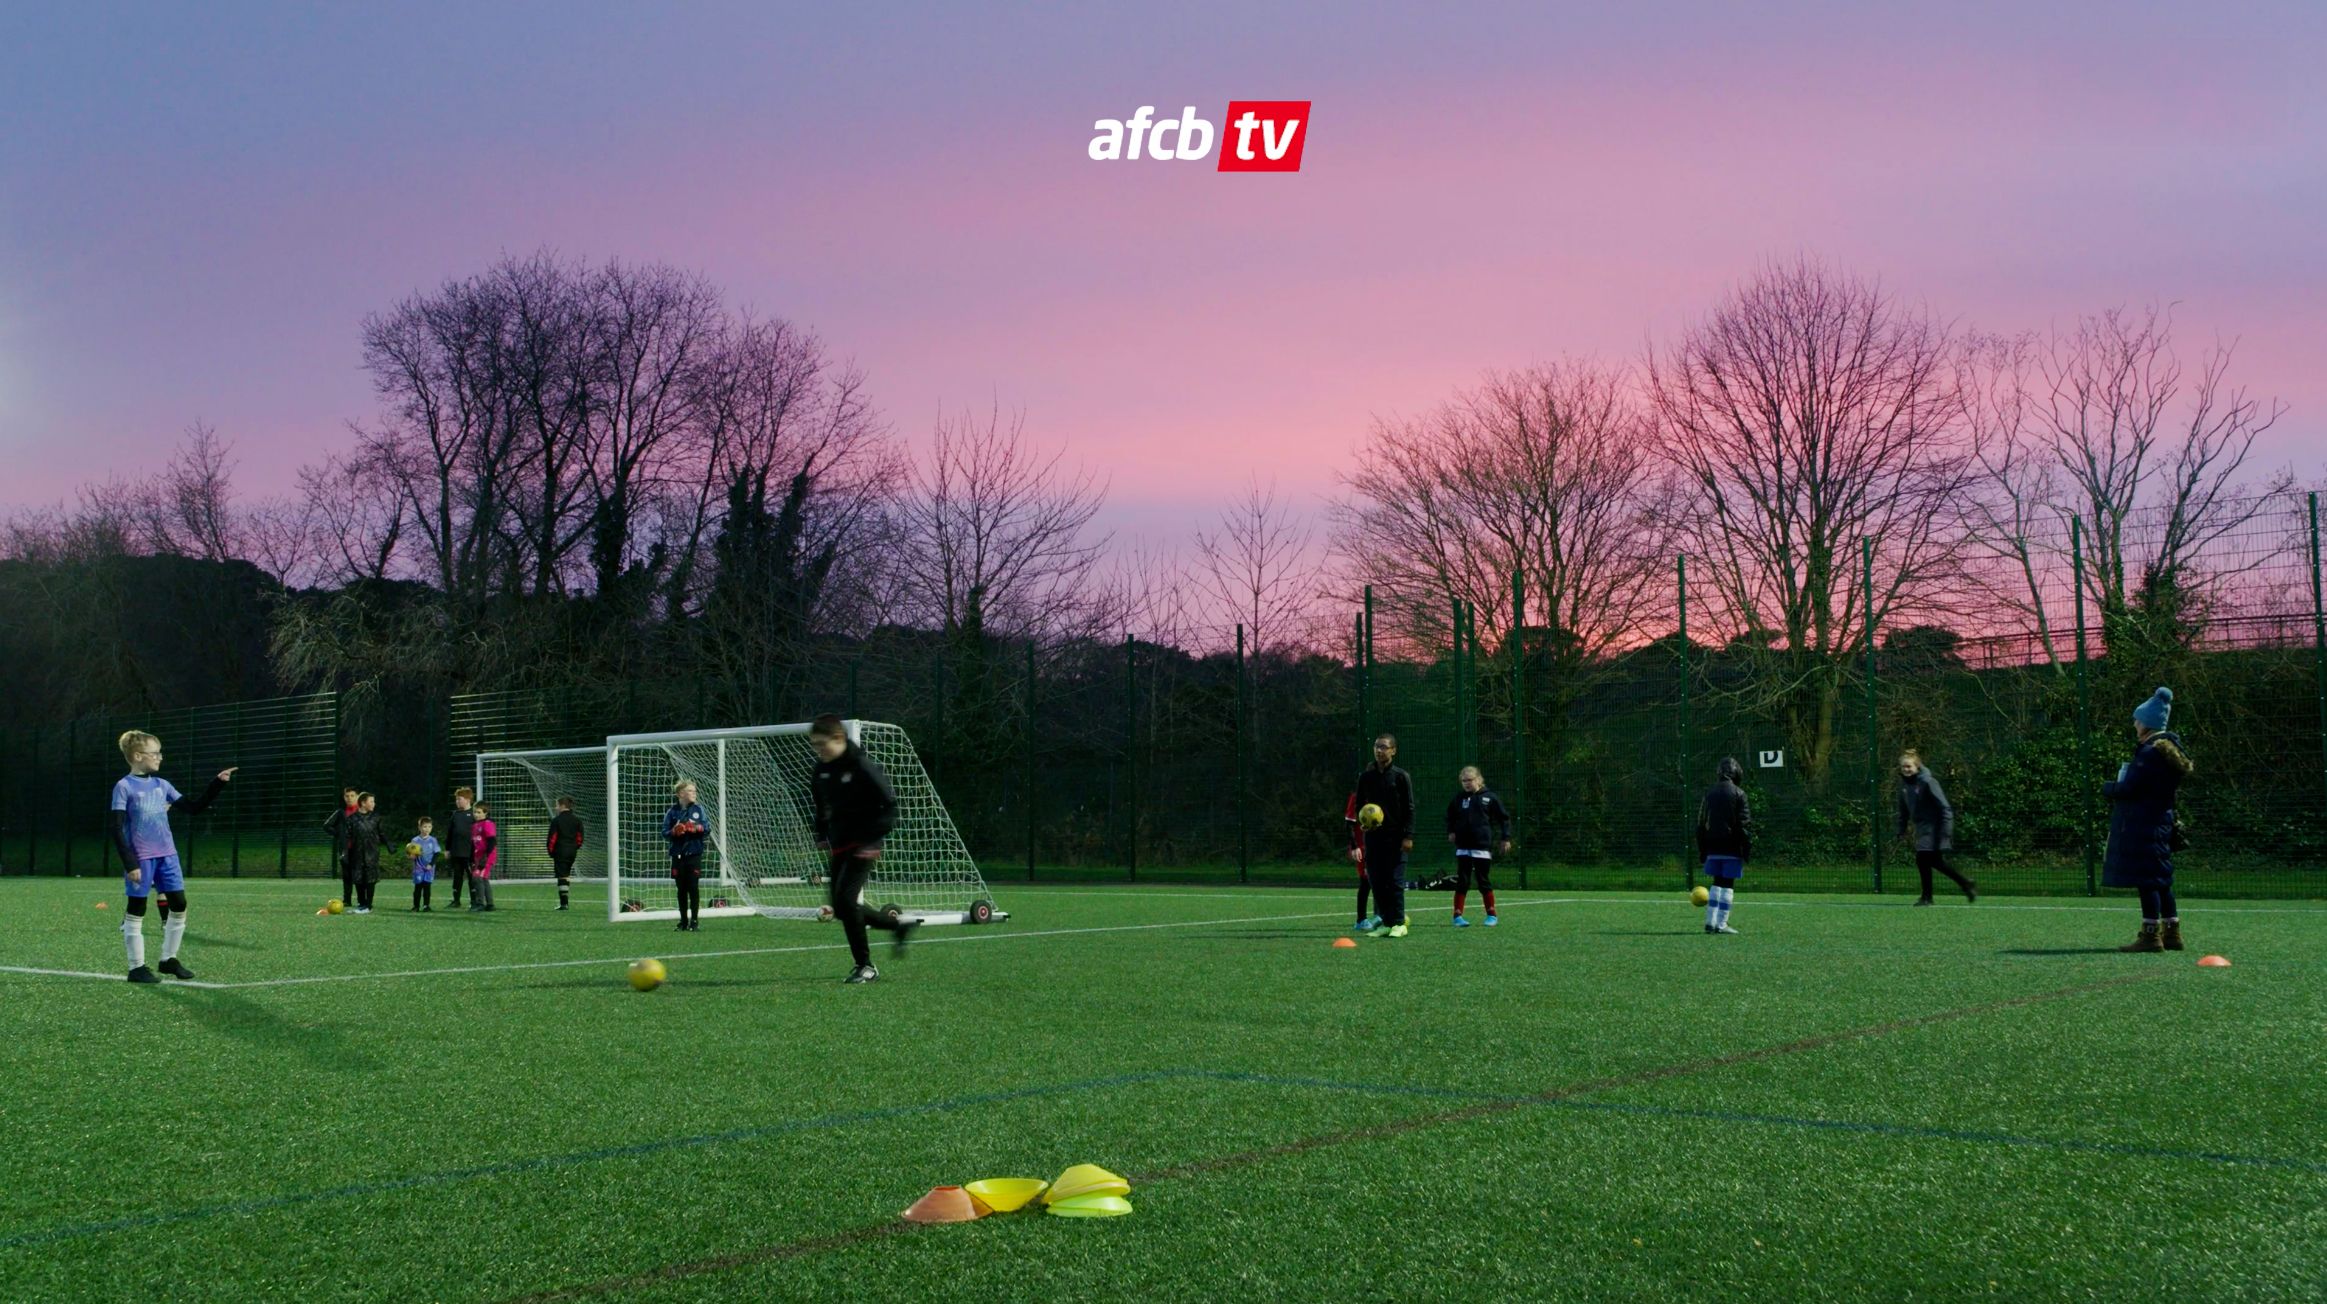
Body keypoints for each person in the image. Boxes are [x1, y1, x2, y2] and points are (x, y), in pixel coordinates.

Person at [111, 730, 237, 982]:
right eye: (155, 753)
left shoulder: (162, 785)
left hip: (168, 855)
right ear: (137, 756)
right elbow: (116, 827)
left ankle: (168, 959)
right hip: (142, 858)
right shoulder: (124, 787)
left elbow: (193, 807)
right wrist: (130, 862)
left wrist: (217, 783)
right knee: (137, 908)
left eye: (159, 752)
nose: (159, 757)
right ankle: (136, 967)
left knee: (179, 904)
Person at [809, 715, 915, 982]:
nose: (819, 750)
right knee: (840, 908)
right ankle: (897, 925)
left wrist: (871, 840)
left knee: (846, 900)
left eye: (823, 744)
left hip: (865, 842)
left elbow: (890, 807)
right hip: (840, 842)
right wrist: (821, 833)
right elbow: (821, 806)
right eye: (815, 745)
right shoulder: (820, 770)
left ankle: (865, 966)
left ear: (839, 739)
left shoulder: (862, 766)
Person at [2103, 687, 2193, 953]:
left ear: (2148, 724)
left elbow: (2131, 788)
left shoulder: (2149, 754)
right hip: (2162, 820)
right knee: (2162, 878)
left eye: (2137, 719)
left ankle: (2151, 935)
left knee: (2147, 879)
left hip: (2144, 823)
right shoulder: (2169, 752)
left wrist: (2110, 788)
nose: (2134, 723)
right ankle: (2172, 931)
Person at [1354, 734, 1416, 938]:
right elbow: (1360, 805)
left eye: (1384, 747)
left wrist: (1408, 836)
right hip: (1373, 838)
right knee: (1377, 881)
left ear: (1393, 751)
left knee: (1395, 881)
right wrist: (1363, 822)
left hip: (1396, 838)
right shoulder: (1366, 777)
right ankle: (1387, 923)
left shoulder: (1400, 776)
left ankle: (1399, 923)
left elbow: (1409, 808)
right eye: (1376, 747)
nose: (1379, 750)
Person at [1896, 750, 1975, 905]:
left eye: (1909, 766)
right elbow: (1903, 812)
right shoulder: (1904, 787)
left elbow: (1945, 808)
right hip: (1923, 829)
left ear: (1917, 766)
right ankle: (1966, 883)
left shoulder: (1928, 782)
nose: (1906, 769)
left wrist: (1946, 833)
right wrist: (1901, 830)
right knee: (1936, 862)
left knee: (1922, 859)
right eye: (1904, 767)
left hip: (1935, 827)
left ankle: (1927, 897)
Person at [1446, 765, 1513, 927]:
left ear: (1479, 779)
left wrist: (1505, 838)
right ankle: (1457, 916)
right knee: (1463, 880)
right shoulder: (1459, 798)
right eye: (1464, 781)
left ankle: (1491, 915)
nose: (1467, 784)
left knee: (1483, 880)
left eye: (1470, 780)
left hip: (1481, 847)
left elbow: (1504, 819)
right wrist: (1451, 831)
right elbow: (1449, 816)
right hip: (1463, 847)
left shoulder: (1489, 797)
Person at [1696, 757, 1750, 936]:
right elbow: (1744, 824)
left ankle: (1710, 922)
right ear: (1736, 773)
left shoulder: (1708, 793)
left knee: (1716, 883)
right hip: (1731, 846)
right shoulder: (1739, 793)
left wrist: (1702, 849)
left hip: (1712, 846)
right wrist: (1746, 848)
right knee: (1728, 885)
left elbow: (1700, 823)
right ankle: (1722, 923)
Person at [661, 782, 708, 932]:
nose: (694, 793)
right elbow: (664, 832)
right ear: (680, 794)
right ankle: (683, 921)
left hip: (694, 854)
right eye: (690, 790)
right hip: (678, 855)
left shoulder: (699, 810)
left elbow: (707, 829)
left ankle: (694, 922)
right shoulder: (672, 812)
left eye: (694, 790)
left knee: (693, 887)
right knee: (681, 888)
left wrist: (695, 828)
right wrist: (674, 832)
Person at [324, 787, 359, 910]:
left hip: (359, 849)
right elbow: (326, 825)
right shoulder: (341, 812)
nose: (349, 798)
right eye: (347, 796)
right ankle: (347, 900)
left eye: (352, 795)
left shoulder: (361, 812)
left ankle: (362, 900)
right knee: (347, 875)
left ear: (357, 797)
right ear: (344, 798)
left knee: (360, 875)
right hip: (345, 849)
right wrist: (339, 833)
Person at [1344, 792, 1375, 931]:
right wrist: (1355, 846)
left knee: (1380, 881)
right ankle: (1361, 920)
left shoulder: (1382, 795)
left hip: (1378, 844)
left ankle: (1381, 916)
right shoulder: (1357, 797)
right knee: (1366, 880)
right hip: (1362, 846)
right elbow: (1349, 823)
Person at [547, 796, 584, 911]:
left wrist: (551, 851)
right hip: (572, 851)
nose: (555, 807)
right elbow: (580, 838)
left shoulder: (556, 820)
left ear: (562, 806)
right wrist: (574, 847)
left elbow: (552, 838)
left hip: (560, 851)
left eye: (557, 805)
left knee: (562, 876)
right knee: (566, 874)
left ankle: (564, 904)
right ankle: (564, 903)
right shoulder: (577, 820)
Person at [349, 792, 383, 914]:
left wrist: (389, 845)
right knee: (358, 878)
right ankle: (361, 904)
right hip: (357, 854)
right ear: (363, 803)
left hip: (372, 854)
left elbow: (381, 833)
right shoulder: (352, 819)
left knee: (370, 878)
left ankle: (368, 905)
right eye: (371, 801)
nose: (374, 804)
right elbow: (347, 836)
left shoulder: (376, 818)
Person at [443, 787, 477, 909]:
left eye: (459, 799)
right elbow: (450, 833)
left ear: (467, 799)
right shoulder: (455, 814)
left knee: (472, 877)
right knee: (457, 876)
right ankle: (456, 900)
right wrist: (447, 849)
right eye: (456, 799)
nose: (457, 801)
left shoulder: (474, 814)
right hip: (456, 851)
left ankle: (474, 901)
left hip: (469, 852)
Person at [469, 801, 499, 911]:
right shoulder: (475, 825)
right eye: (474, 812)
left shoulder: (488, 823)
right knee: (483, 879)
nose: (476, 814)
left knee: (477, 878)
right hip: (478, 856)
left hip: (486, 857)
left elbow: (492, 841)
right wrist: (472, 858)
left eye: (479, 812)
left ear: (485, 813)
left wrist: (485, 857)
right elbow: (474, 843)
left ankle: (480, 903)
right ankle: (490, 904)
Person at [408, 817, 441, 911]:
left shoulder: (433, 840)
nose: (427, 829)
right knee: (418, 886)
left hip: (429, 867)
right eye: (425, 826)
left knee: (427, 886)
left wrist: (431, 864)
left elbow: (437, 853)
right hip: (418, 867)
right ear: (419, 827)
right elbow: (412, 853)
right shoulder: (415, 840)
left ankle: (426, 905)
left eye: (429, 827)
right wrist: (412, 856)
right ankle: (416, 906)